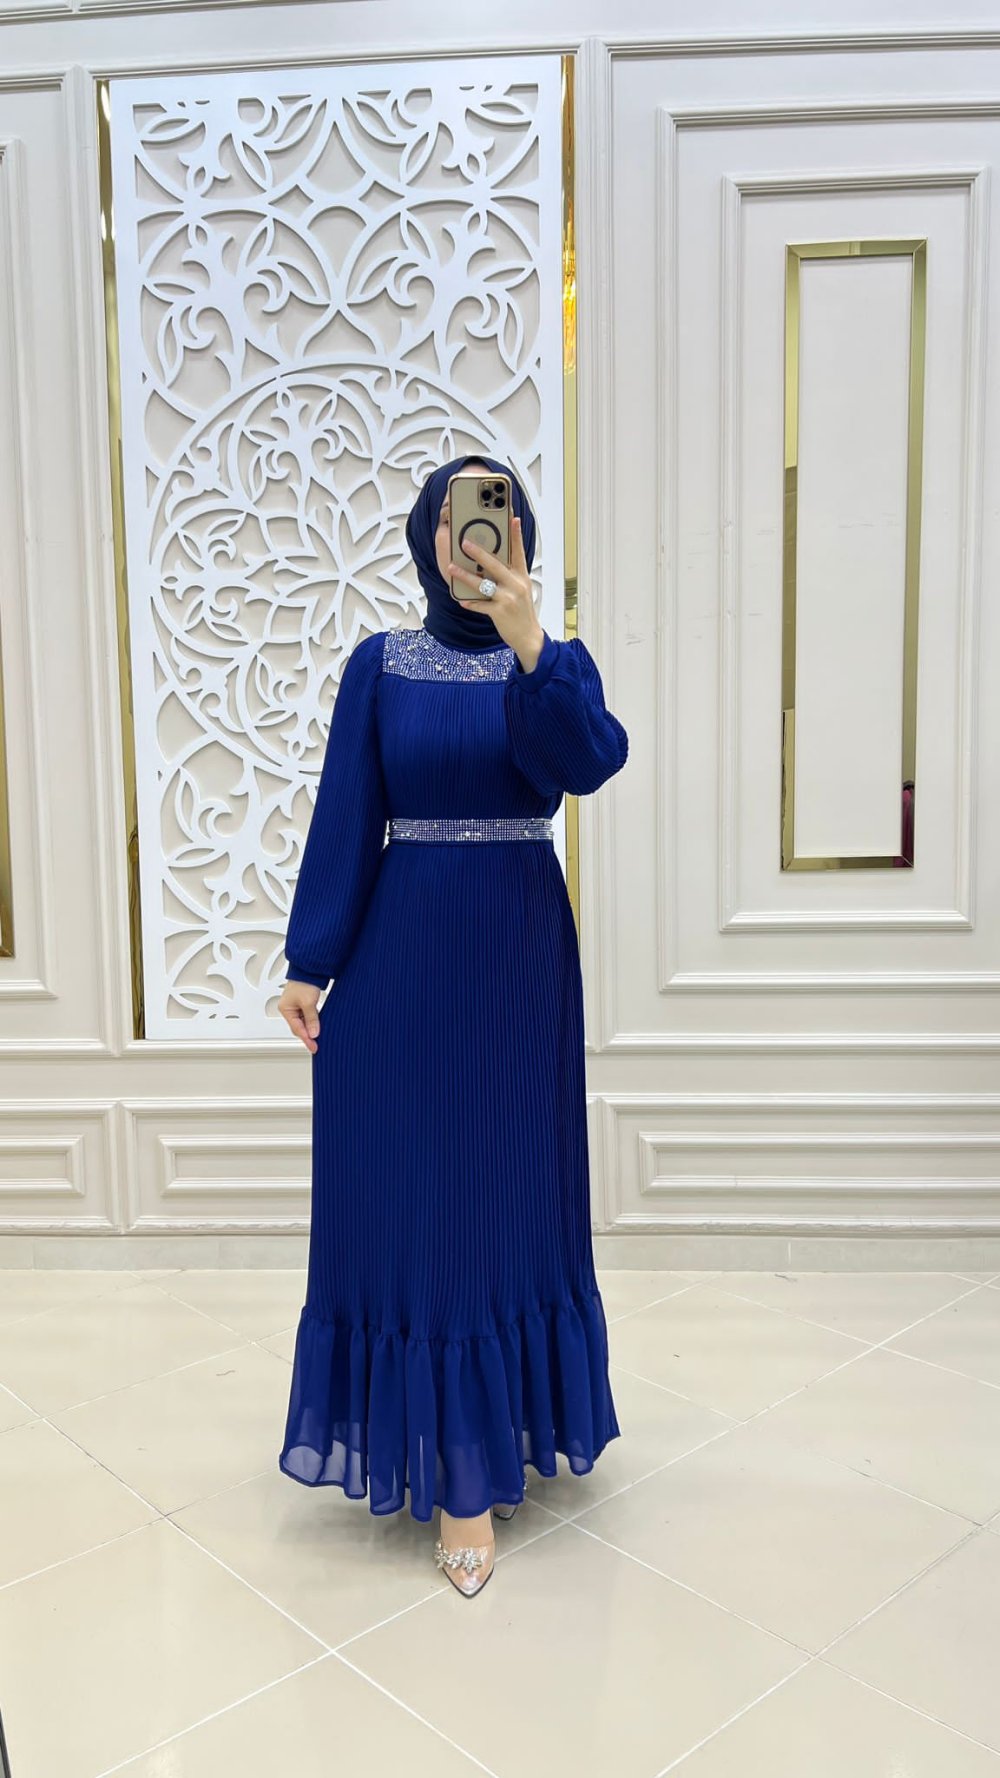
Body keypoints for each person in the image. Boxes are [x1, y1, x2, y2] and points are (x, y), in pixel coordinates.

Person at [276, 453, 629, 1598]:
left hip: (517, 966)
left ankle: (490, 1433)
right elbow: (347, 810)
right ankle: (455, 1472)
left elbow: (586, 763)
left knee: (504, 1198)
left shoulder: (553, 660)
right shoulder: (379, 665)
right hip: (403, 965)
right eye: (456, 516)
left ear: (520, 533)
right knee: (419, 1204)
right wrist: (311, 960)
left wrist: (532, 643)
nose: (475, 534)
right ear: (428, 534)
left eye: (497, 511)